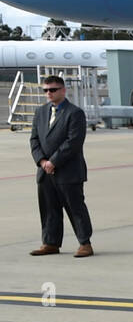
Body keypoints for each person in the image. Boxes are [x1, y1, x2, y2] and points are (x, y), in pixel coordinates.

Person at [29, 75, 93, 258]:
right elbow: (34, 140)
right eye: (46, 90)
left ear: (63, 90)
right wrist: (42, 161)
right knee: (49, 209)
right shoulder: (40, 112)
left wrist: (53, 161)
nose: (49, 93)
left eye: (53, 89)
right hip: (45, 171)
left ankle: (85, 243)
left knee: (75, 208)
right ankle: (50, 242)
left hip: (68, 171)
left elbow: (73, 142)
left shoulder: (75, 113)